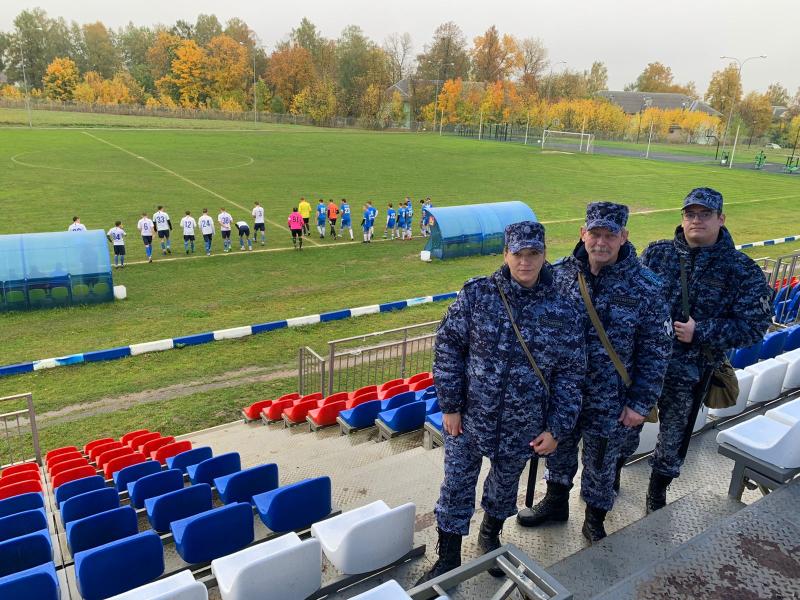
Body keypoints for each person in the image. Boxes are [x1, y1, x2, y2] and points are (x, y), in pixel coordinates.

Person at [417, 221, 586, 583]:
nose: (525, 262)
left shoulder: (564, 309)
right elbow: (448, 346)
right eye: (518, 254)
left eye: (533, 254)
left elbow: (571, 375)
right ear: (505, 254)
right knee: (456, 487)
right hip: (469, 420)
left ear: (544, 255)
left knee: (504, 487)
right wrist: (450, 404)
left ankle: (490, 536)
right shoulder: (478, 294)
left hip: (523, 426)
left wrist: (557, 428)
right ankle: (447, 557)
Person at [518, 202, 672, 541]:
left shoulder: (646, 286)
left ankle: (594, 518)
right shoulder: (557, 275)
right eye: (595, 233)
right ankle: (556, 504)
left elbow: (657, 350)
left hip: (612, 399)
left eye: (610, 235)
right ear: (582, 234)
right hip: (563, 396)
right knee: (558, 452)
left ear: (624, 237)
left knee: (602, 463)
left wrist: (640, 403)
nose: (601, 242)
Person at [639, 187, 772, 512]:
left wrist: (702, 331)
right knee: (623, 428)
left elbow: (756, 326)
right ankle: (610, 480)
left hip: (690, 373)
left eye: (704, 214)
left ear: (720, 218)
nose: (696, 220)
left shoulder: (741, 270)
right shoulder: (657, 254)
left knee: (672, 442)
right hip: (641, 367)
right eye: (690, 214)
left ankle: (656, 493)